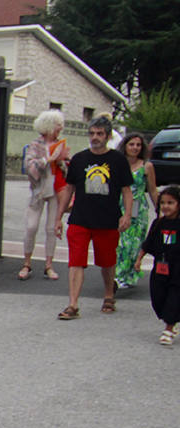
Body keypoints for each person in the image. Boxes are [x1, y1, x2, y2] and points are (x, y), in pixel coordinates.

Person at [55, 116, 134, 320]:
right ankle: (73, 304)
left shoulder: (118, 160)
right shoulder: (79, 159)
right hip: (80, 218)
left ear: (107, 136)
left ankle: (109, 295)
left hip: (107, 219)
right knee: (76, 261)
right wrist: (58, 217)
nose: (95, 137)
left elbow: (126, 190)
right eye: (92, 133)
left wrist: (127, 215)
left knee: (107, 261)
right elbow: (69, 188)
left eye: (99, 134)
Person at [19, 110, 71, 281]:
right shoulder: (35, 145)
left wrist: (62, 162)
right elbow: (29, 168)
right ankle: (27, 263)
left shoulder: (61, 144)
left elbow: (67, 170)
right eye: (57, 125)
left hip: (56, 190)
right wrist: (48, 159)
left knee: (51, 229)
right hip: (38, 191)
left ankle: (49, 265)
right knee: (31, 226)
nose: (60, 128)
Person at [134, 186, 180, 345]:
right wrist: (139, 259)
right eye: (163, 203)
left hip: (178, 268)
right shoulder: (158, 223)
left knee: (175, 296)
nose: (166, 206)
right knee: (158, 297)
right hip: (161, 266)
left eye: (171, 203)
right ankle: (171, 319)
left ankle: (168, 328)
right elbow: (148, 244)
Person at [115, 132, 159, 289]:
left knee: (132, 244)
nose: (135, 148)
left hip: (138, 210)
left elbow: (153, 190)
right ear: (125, 146)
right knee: (119, 243)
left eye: (138, 145)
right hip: (119, 207)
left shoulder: (147, 166)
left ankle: (125, 275)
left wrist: (159, 211)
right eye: (131, 144)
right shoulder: (119, 163)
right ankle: (118, 274)